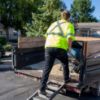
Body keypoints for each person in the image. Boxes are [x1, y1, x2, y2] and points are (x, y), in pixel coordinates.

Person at [39, 10, 75, 95]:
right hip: (60, 47)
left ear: (61, 16)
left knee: (47, 68)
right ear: (69, 17)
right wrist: (69, 49)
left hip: (48, 47)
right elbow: (69, 38)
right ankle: (66, 79)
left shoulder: (53, 24)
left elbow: (46, 36)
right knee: (65, 63)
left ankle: (42, 89)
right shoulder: (69, 25)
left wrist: (49, 45)